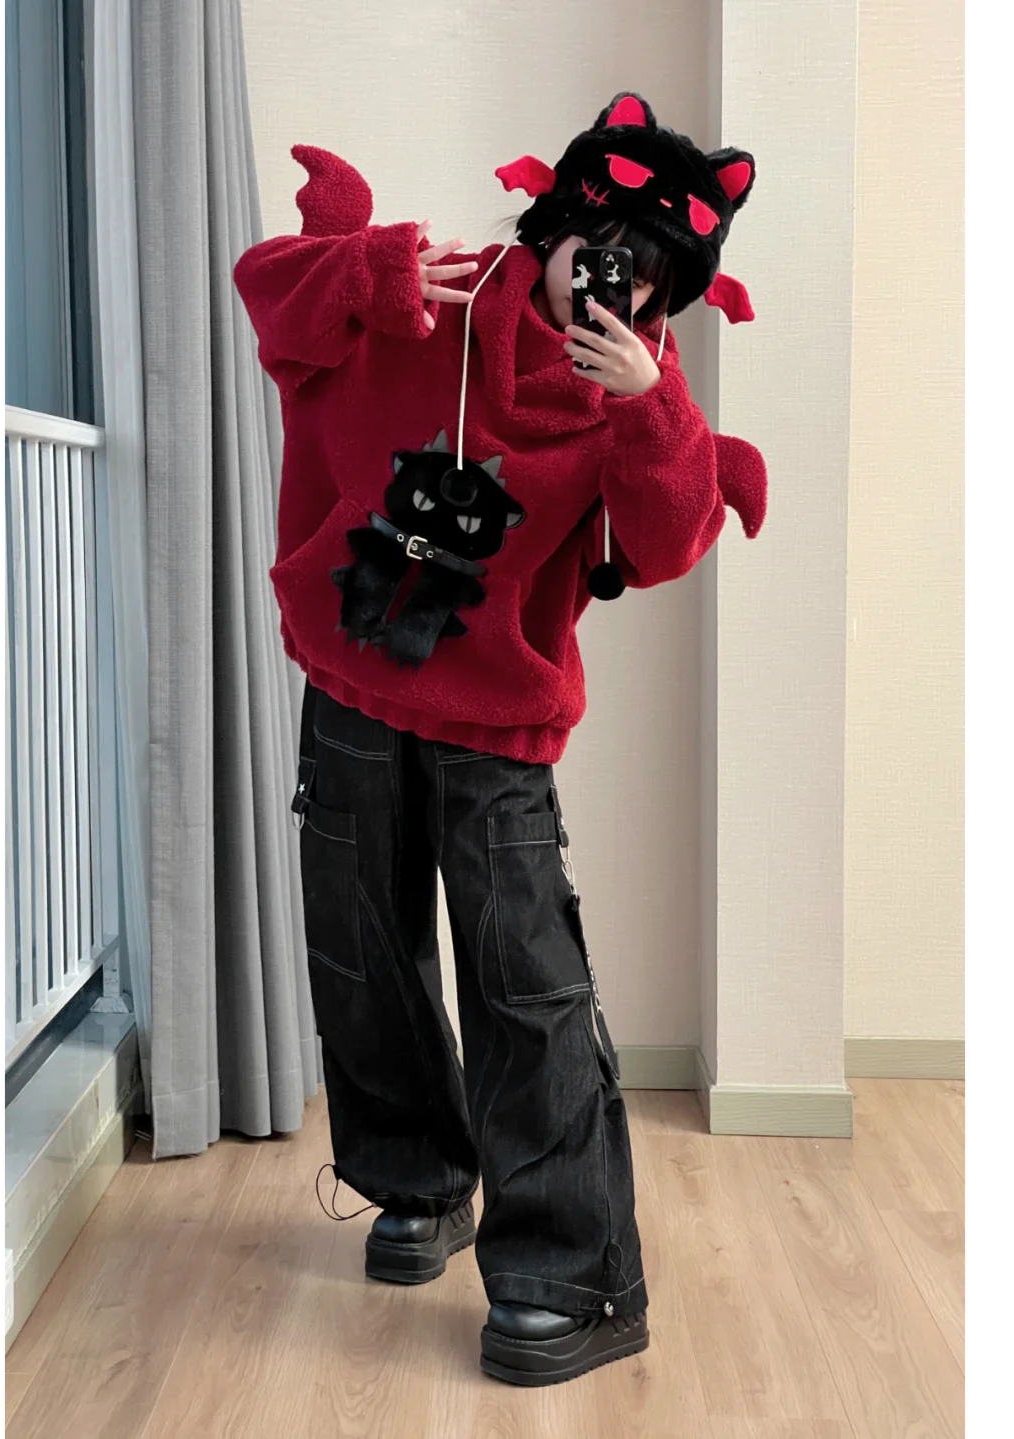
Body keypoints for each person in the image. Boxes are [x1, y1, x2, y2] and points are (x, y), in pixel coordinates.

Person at [234, 91, 766, 1388]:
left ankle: (566, 1275)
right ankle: (419, 1184)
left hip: (503, 724)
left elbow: (666, 542)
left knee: (525, 979)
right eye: (597, 243)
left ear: (670, 294)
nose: (609, 277)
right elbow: (273, 302)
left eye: (645, 269)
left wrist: (651, 407)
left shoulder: (637, 388)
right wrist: (360, 265)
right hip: (355, 676)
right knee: (361, 948)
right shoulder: (442, 293)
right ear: (554, 223)